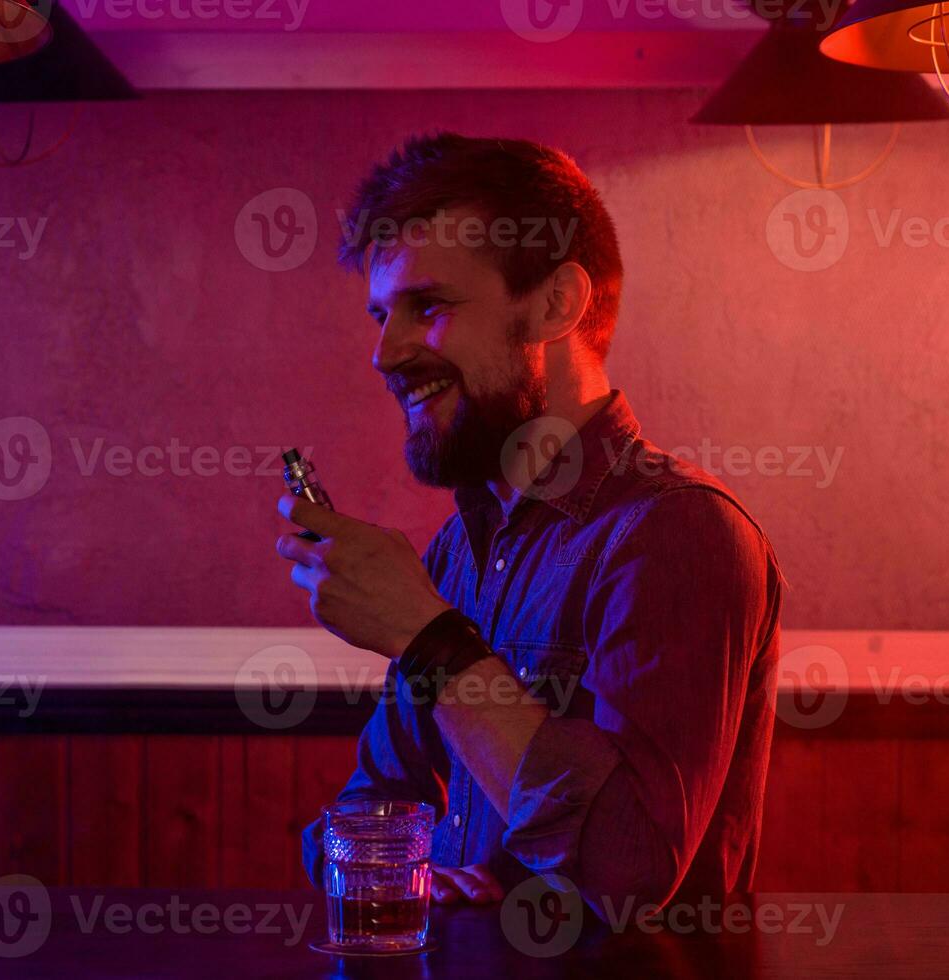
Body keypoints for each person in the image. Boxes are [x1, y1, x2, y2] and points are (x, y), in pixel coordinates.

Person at [274, 132, 783, 920]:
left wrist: (432, 642)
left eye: (428, 306)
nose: (384, 352)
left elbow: (628, 871)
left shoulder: (681, 532)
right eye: (380, 315)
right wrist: (422, 873)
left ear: (554, 304)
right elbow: (362, 818)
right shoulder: (457, 551)